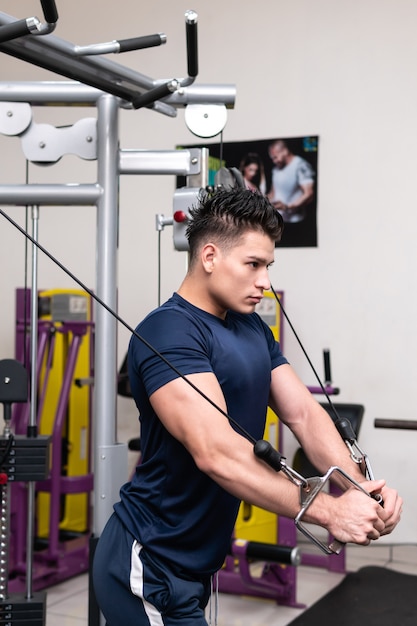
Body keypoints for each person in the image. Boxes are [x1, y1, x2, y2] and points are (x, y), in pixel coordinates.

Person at [93, 187, 402, 626]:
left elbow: (303, 414)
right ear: (211, 256)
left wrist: (357, 487)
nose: (264, 281)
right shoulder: (168, 332)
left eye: (268, 266)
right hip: (150, 560)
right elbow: (217, 453)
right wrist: (329, 511)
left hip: (195, 562)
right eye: (253, 264)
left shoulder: (252, 328)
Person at [268, 139, 315, 223]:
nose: (274, 161)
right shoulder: (276, 169)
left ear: (285, 151)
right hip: (277, 221)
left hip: (295, 221)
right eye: (272, 159)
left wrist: (287, 207)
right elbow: (273, 194)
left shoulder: (300, 165)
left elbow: (309, 194)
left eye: (275, 157)